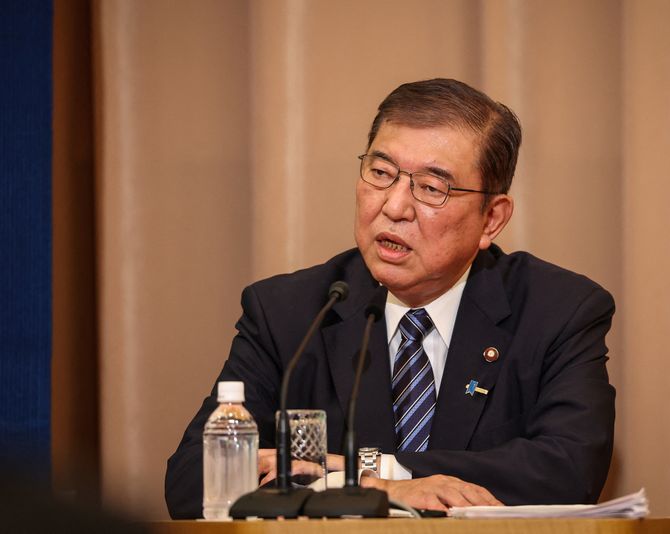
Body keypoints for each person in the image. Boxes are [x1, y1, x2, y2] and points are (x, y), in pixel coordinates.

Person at [165, 78, 615, 518]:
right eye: (381, 173)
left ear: (491, 220)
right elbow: (191, 481)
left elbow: (570, 470)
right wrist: (376, 482)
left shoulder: (558, 311)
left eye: (432, 188)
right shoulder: (289, 313)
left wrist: (385, 474)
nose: (394, 206)